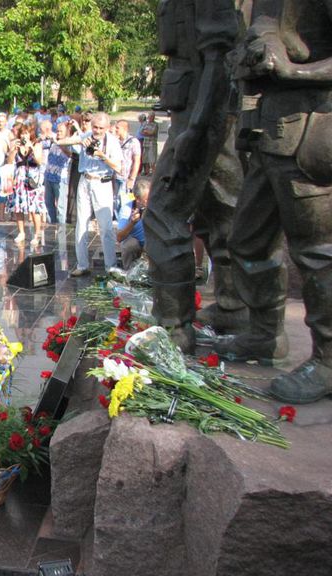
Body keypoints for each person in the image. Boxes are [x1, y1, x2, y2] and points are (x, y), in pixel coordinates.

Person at [214, 0, 332, 405]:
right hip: (268, 132)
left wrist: (293, 71)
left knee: (317, 254)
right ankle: (266, 336)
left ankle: (329, 360)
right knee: (247, 240)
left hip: (310, 132)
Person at [142, 0, 247, 352]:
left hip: (200, 111)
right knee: (221, 209)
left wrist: (198, 128)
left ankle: (174, 328)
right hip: (196, 109)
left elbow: (219, 59)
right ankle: (236, 306)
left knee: (162, 214)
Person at [70, 112, 123, 276]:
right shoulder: (86, 135)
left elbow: (118, 167)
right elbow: (64, 142)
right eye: (94, 127)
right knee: (81, 224)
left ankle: (110, 266)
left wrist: (102, 155)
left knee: (106, 227)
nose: (97, 130)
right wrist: (75, 137)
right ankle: (82, 264)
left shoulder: (112, 142)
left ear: (107, 128)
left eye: (100, 128)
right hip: (85, 181)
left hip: (102, 182)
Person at [8, 123, 46, 245]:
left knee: (34, 208)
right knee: (18, 207)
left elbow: (39, 161)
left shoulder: (37, 144)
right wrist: (13, 150)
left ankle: (37, 234)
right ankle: (21, 232)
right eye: (22, 133)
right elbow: (9, 162)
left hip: (32, 180)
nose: (25, 135)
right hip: (19, 178)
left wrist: (31, 148)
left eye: (27, 133)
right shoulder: (16, 144)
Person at [117, 178, 150, 269]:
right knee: (129, 245)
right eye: (146, 199)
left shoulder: (154, 206)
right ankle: (129, 274)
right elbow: (119, 237)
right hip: (136, 243)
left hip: (150, 242)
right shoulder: (126, 209)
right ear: (137, 199)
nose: (149, 201)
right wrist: (132, 223)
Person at [114, 120, 142, 217]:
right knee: (115, 200)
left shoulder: (134, 142)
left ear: (124, 129)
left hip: (126, 177)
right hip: (115, 176)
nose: (115, 129)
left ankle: (124, 221)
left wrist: (132, 178)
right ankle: (116, 220)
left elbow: (136, 161)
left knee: (126, 200)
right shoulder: (115, 141)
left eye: (117, 127)